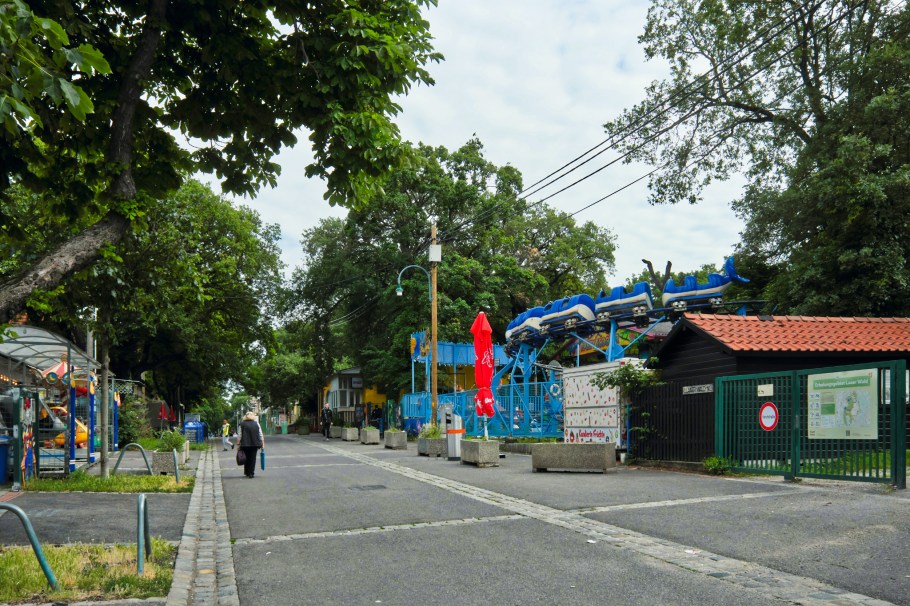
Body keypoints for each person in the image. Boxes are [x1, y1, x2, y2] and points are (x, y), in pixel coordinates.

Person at [238, 411, 264, 478]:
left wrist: (238, 443)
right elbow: (260, 434)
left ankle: (247, 472)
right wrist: (262, 444)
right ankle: (251, 473)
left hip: (245, 444)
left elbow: (240, 435)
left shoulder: (242, 424)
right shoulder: (256, 423)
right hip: (255, 443)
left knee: (246, 457)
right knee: (253, 458)